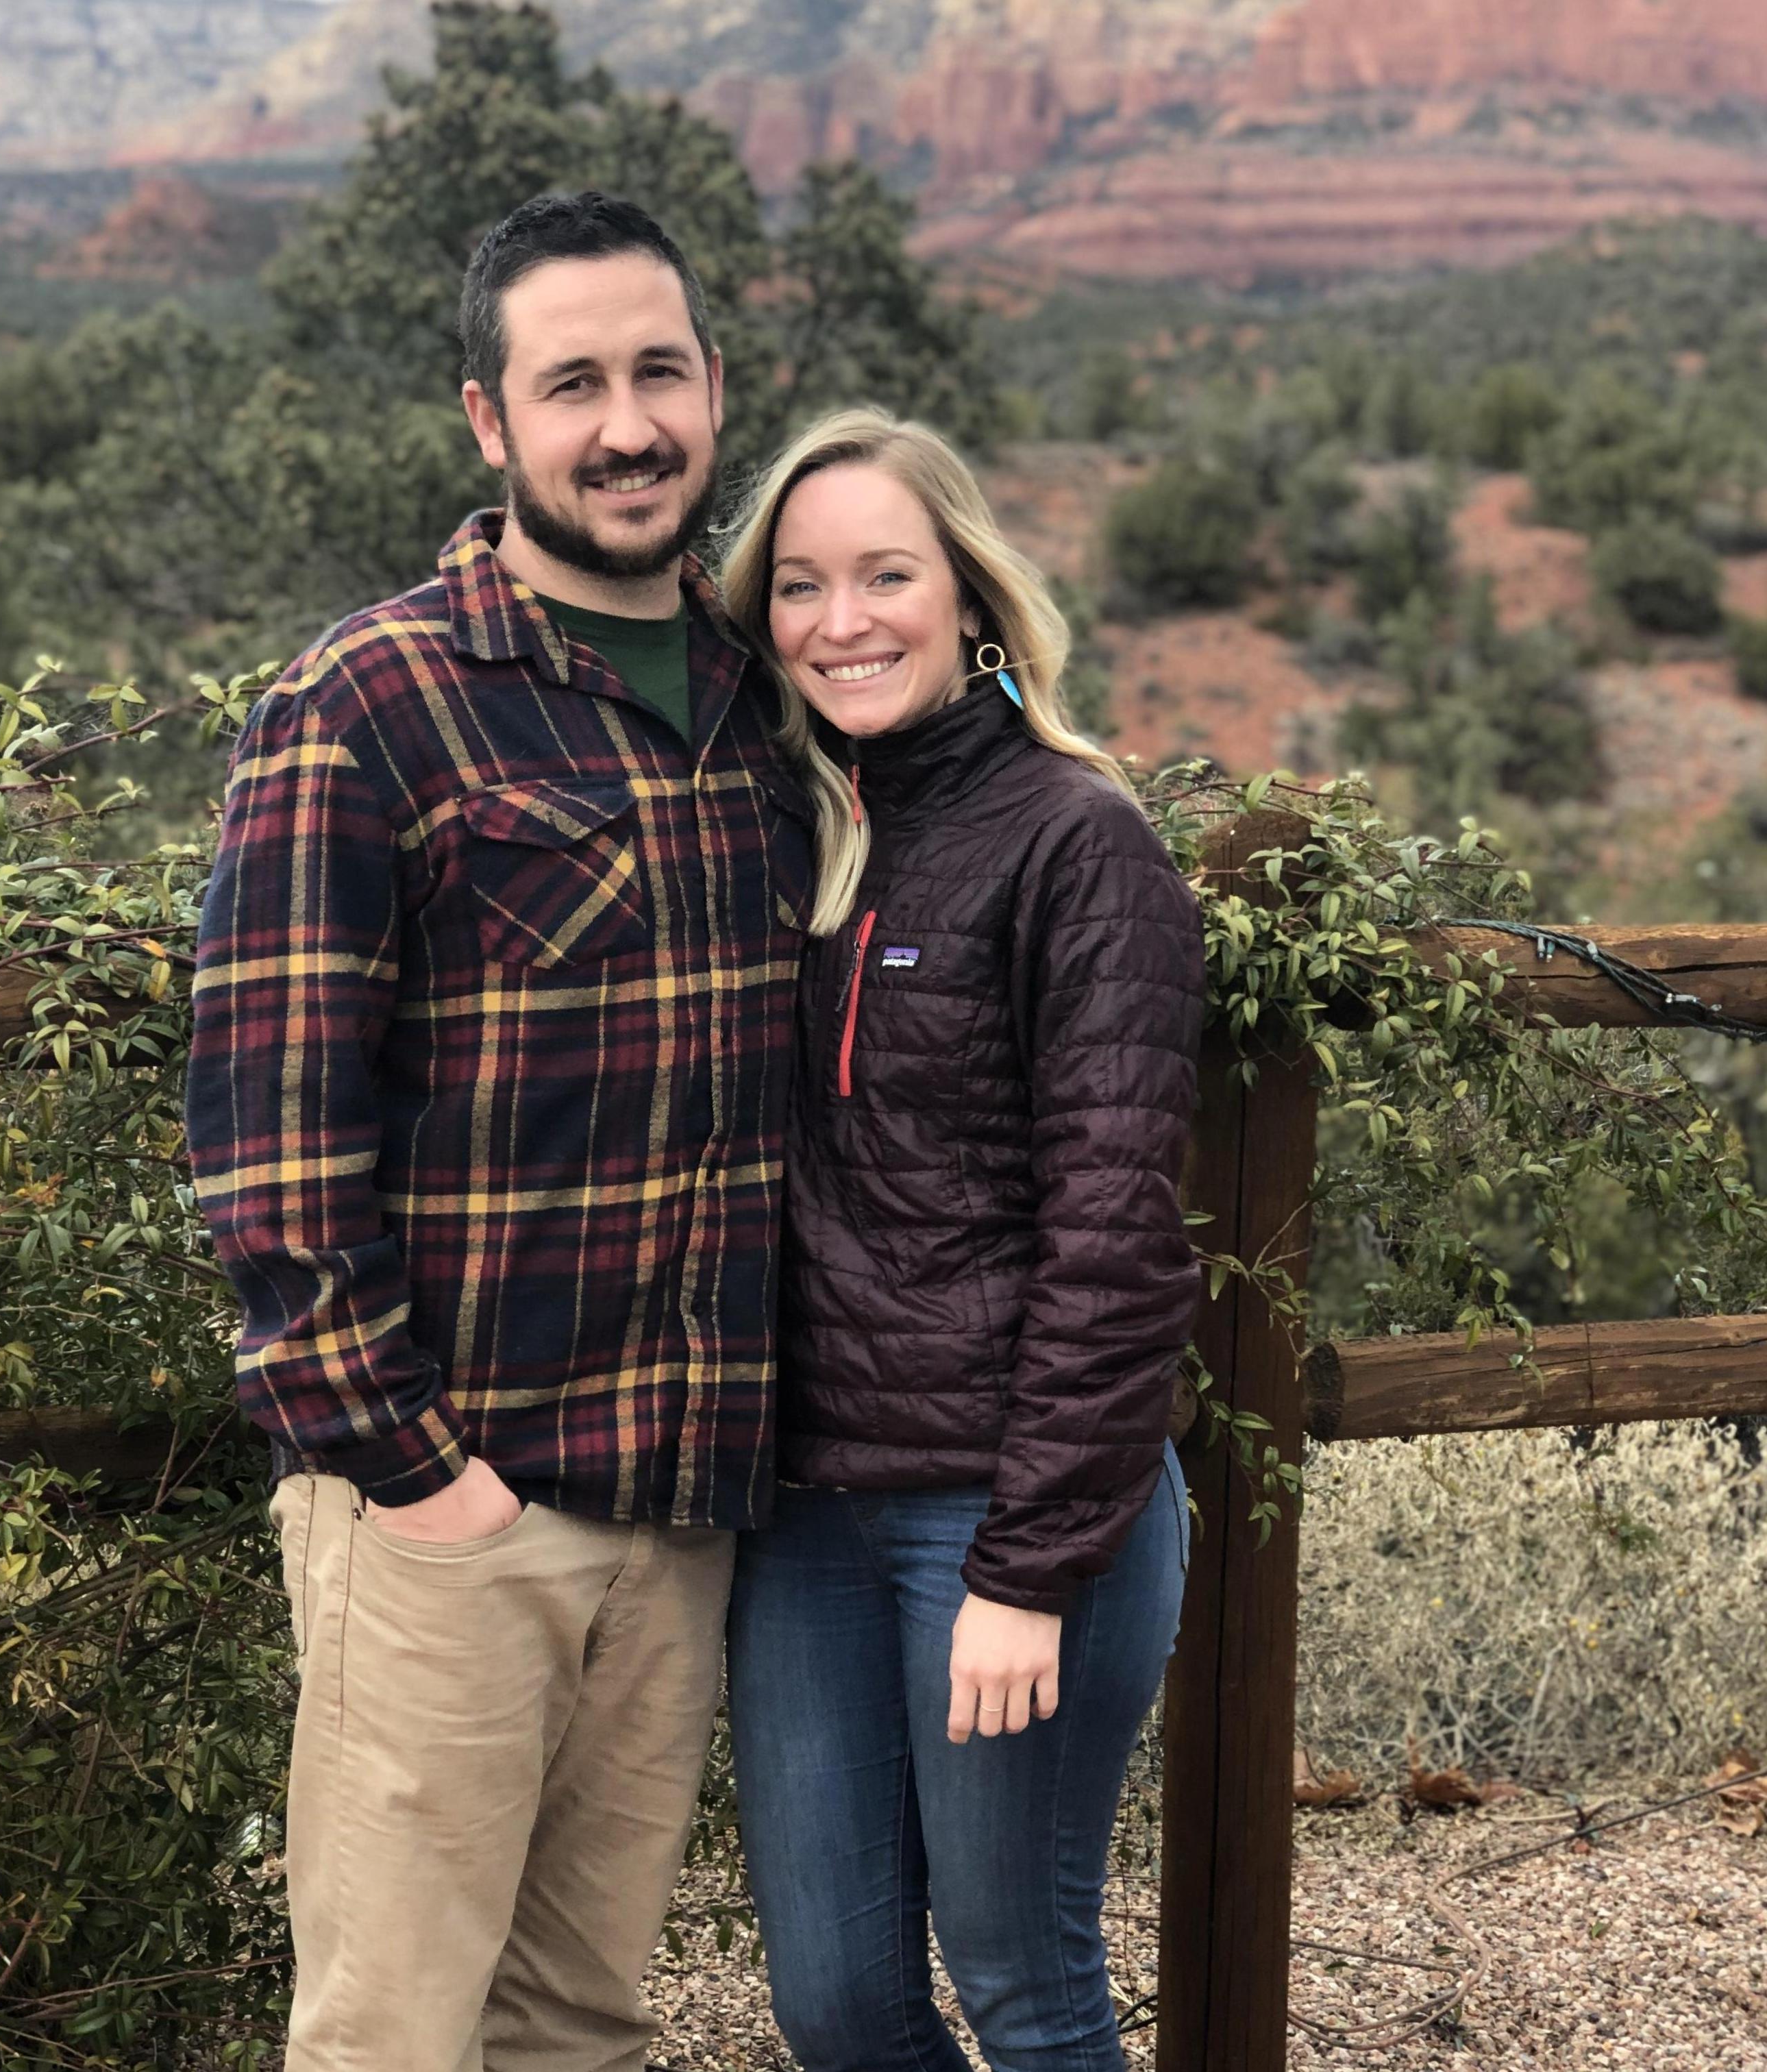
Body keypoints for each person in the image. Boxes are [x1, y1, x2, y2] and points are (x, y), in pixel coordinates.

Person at [184, 192, 813, 2072]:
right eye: (572, 385)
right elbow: (270, 1149)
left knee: (579, 2024)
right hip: (452, 1511)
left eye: (658, 374)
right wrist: (420, 1476)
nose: (626, 426)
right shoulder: (369, 703)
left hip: (682, 1507)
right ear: (489, 418)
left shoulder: (771, 704)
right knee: (390, 2033)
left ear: (715, 388)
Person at [717, 408, 1205, 2072]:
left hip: (1006, 1513)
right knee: (839, 2007)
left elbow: (1118, 1234)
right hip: (805, 1515)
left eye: (886, 576)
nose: (841, 621)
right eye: (799, 586)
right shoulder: (778, 831)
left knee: (1025, 1986)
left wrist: (1029, 1568)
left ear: (972, 596)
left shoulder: (1079, 841)